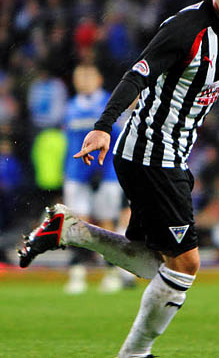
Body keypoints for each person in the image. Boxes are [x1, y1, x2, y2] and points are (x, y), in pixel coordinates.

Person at [18, 0, 219, 358]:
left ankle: (69, 230)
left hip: (167, 157)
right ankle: (134, 354)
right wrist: (102, 127)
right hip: (151, 156)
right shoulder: (184, 29)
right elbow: (135, 75)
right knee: (185, 266)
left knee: (157, 262)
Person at [63, 63, 125, 293]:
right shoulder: (70, 107)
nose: (85, 80)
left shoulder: (110, 103)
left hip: (107, 172)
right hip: (77, 173)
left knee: (106, 223)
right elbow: (69, 143)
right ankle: (77, 271)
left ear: (99, 79)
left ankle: (111, 272)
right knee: (79, 223)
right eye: (80, 75)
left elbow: (117, 138)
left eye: (89, 75)